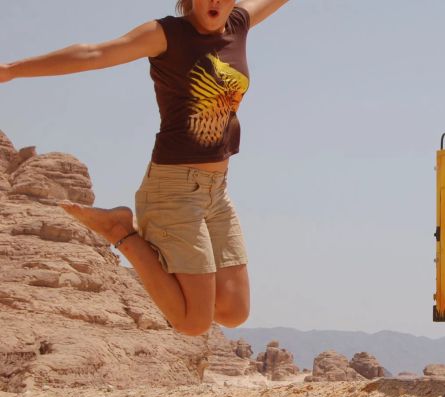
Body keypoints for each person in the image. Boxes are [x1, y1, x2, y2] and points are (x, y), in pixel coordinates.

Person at [0, 0, 290, 336]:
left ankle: (126, 230)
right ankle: (120, 232)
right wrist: (12, 69)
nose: (214, 1)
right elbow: (94, 54)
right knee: (192, 323)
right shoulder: (165, 34)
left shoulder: (238, 23)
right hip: (173, 190)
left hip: (217, 190)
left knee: (233, 311)